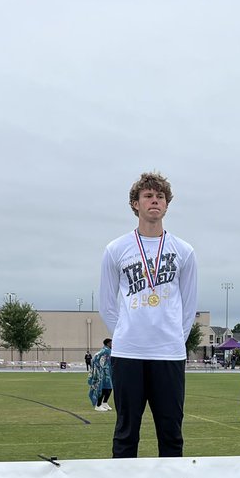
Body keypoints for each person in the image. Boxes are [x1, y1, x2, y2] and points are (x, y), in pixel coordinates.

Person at [99, 171, 198, 458]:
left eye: (160, 196)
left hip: (169, 354)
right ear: (135, 204)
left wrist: (172, 339)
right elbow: (107, 303)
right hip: (128, 353)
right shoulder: (116, 249)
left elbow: (189, 305)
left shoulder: (184, 251)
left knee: (171, 433)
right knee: (126, 431)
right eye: (148, 196)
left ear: (167, 205)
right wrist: (127, 333)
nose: (154, 201)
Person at [88, 338, 113, 411]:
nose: (112, 344)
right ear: (108, 343)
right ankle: (98, 405)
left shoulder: (109, 351)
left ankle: (104, 402)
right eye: (111, 343)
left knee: (109, 388)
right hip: (103, 374)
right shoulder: (104, 351)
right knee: (102, 389)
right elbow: (95, 358)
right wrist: (99, 369)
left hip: (108, 374)